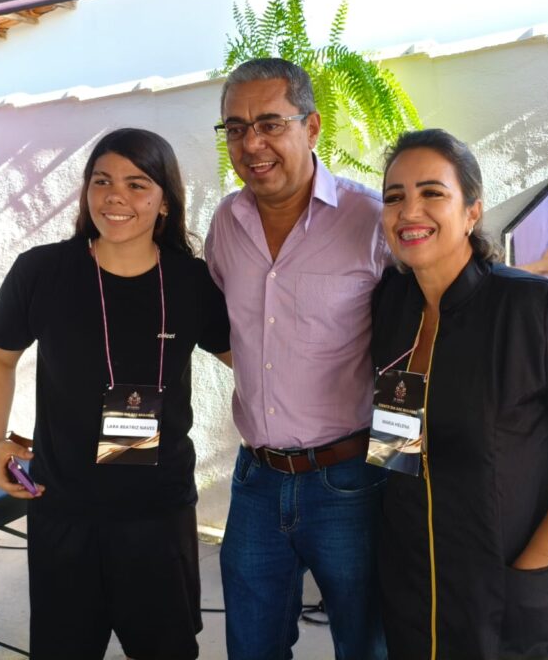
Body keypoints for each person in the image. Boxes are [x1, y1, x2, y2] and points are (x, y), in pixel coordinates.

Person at [371, 129, 548, 659]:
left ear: (472, 210)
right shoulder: (392, 305)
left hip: (509, 589)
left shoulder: (536, 309)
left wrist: (539, 563)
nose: (409, 210)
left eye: (431, 192)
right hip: (413, 584)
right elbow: (398, 441)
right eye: (394, 196)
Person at [0, 128, 230, 660]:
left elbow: (252, 363)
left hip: (158, 514)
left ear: (165, 201)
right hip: (63, 509)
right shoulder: (42, 271)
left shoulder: (191, 281)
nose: (116, 197)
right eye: (102, 181)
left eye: (138, 184)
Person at [205, 57, 388, 660]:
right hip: (255, 480)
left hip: (349, 480)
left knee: (368, 644)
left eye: (269, 124)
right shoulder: (226, 223)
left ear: (311, 127)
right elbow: (230, 329)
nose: (251, 144)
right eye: (235, 128)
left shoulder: (371, 221)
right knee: (251, 648)